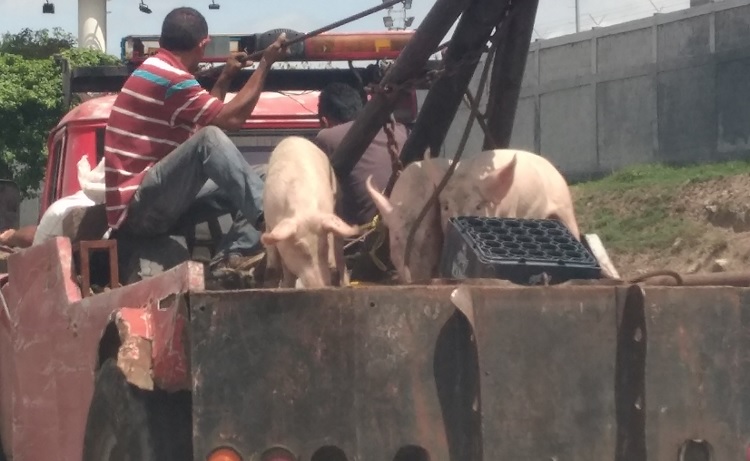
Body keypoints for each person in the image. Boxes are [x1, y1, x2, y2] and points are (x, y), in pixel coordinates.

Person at [104, 7, 287, 276]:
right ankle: (269, 222)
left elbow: (205, 120)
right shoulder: (171, 78)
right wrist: (265, 65)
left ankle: (231, 255)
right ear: (203, 45)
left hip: (158, 200)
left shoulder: (157, 71)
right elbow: (230, 121)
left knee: (267, 175)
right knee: (209, 141)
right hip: (137, 206)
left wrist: (226, 77)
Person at [314, 83, 408, 226]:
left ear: (324, 121)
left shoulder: (326, 138)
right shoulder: (401, 131)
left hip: (361, 238)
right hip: (408, 223)